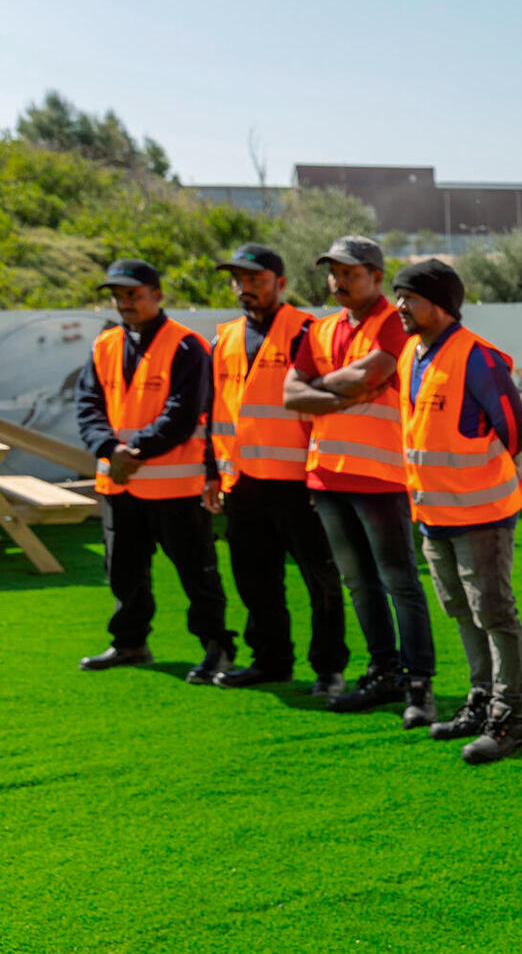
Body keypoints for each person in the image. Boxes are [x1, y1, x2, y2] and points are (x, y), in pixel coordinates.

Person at [284, 235, 436, 723]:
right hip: (327, 476)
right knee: (359, 583)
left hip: (382, 476)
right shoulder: (321, 328)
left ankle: (418, 685)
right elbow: (291, 394)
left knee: (399, 582)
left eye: (350, 272)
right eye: (335, 272)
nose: (339, 280)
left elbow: (371, 375)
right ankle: (383, 673)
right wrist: (340, 392)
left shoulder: (394, 322)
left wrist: (321, 388)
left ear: (376, 275)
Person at [390, 260, 522, 765]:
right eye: (397, 296)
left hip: (482, 514)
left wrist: (476, 477)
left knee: (494, 613)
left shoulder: (477, 357)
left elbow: (517, 432)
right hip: (435, 515)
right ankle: (481, 699)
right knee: (461, 610)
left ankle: (510, 716)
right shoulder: (411, 352)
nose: (399, 307)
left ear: (441, 304)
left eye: (408, 297)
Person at [73, 258, 233, 681]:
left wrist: (131, 451)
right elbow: (87, 407)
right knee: (122, 570)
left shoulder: (186, 346)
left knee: (196, 572)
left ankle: (217, 646)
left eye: (133, 294)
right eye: (118, 296)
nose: (124, 303)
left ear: (156, 295)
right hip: (119, 484)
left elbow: (183, 414)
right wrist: (110, 449)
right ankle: (130, 643)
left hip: (175, 487)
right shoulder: (104, 345)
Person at [202, 243, 349, 693]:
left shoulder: (309, 332)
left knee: (320, 581)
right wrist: (212, 473)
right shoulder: (223, 338)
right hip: (242, 483)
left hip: (298, 484)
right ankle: (270, 661)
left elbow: (327, 411)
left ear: (280, 284)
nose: (246, 289)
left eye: (256, 281)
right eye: (239, 281)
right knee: (255, 580)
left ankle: (328, 668)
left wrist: (319, 475)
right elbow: (214, 412)